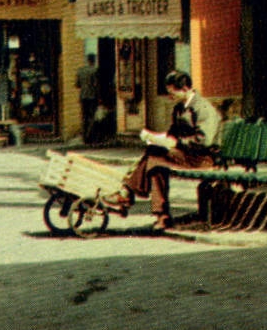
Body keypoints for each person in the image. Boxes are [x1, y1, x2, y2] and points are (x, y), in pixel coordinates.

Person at [111, 70, 219, 231]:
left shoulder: (202, 108)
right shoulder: (179, 108)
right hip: (185, 154)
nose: (170, 97)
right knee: (155, 158)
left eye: (172, 93)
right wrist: (157, 138)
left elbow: (204, 140)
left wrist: (176, 143)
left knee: (155, 159)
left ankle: (130, 195)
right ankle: (154, 210)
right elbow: (172, 134)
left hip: (202, 157)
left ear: (184, 88)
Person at [75, 53, 102, 144]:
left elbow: (77, 85)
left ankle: (84, 137)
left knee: (84, 117)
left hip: (83, 96)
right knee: (92, 116)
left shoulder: (80, 71)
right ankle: (90, 137)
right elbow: (96, 85)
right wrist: (99, 97)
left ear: (87, 60)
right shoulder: (94, 71)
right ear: (94, 60)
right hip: (92, 96)